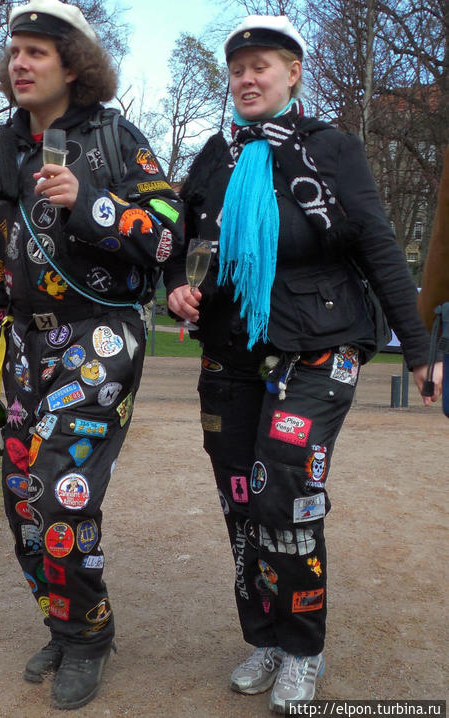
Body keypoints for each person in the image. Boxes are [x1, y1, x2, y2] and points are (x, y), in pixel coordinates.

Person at [164, 15, 443, 713]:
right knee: (240, 500)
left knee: (283, 491)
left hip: (321, 343)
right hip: (231, 351)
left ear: (293, 73)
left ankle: (303, 647)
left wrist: (418, 348)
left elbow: (378, 244)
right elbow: (176, 243)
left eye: (262, 65)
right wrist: (175, 288)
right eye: (237, 69)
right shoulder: (213, 156)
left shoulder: (329, 148)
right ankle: (263, 634)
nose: (247, 78)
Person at [0, 0, 182, 709]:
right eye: (14, 51)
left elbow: (167, 233)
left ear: (73, 65)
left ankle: (89, 639)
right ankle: (64, 621)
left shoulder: (117, 139)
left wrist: (91, 201)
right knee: (21, 504)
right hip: (23, 346)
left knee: (63, 490)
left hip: (99, 335)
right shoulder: (7, 146)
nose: (19, 64)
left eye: (36, 52)